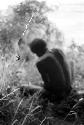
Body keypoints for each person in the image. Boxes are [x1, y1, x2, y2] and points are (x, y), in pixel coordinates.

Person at [29, 39, 72, 103]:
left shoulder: (41, 62)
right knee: (37, 85)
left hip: (57, 96)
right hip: (69, 90)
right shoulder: (58, 51)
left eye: (35, 53)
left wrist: (42, 85)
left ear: (36, 52)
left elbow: (47, 86)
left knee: (22, 88)